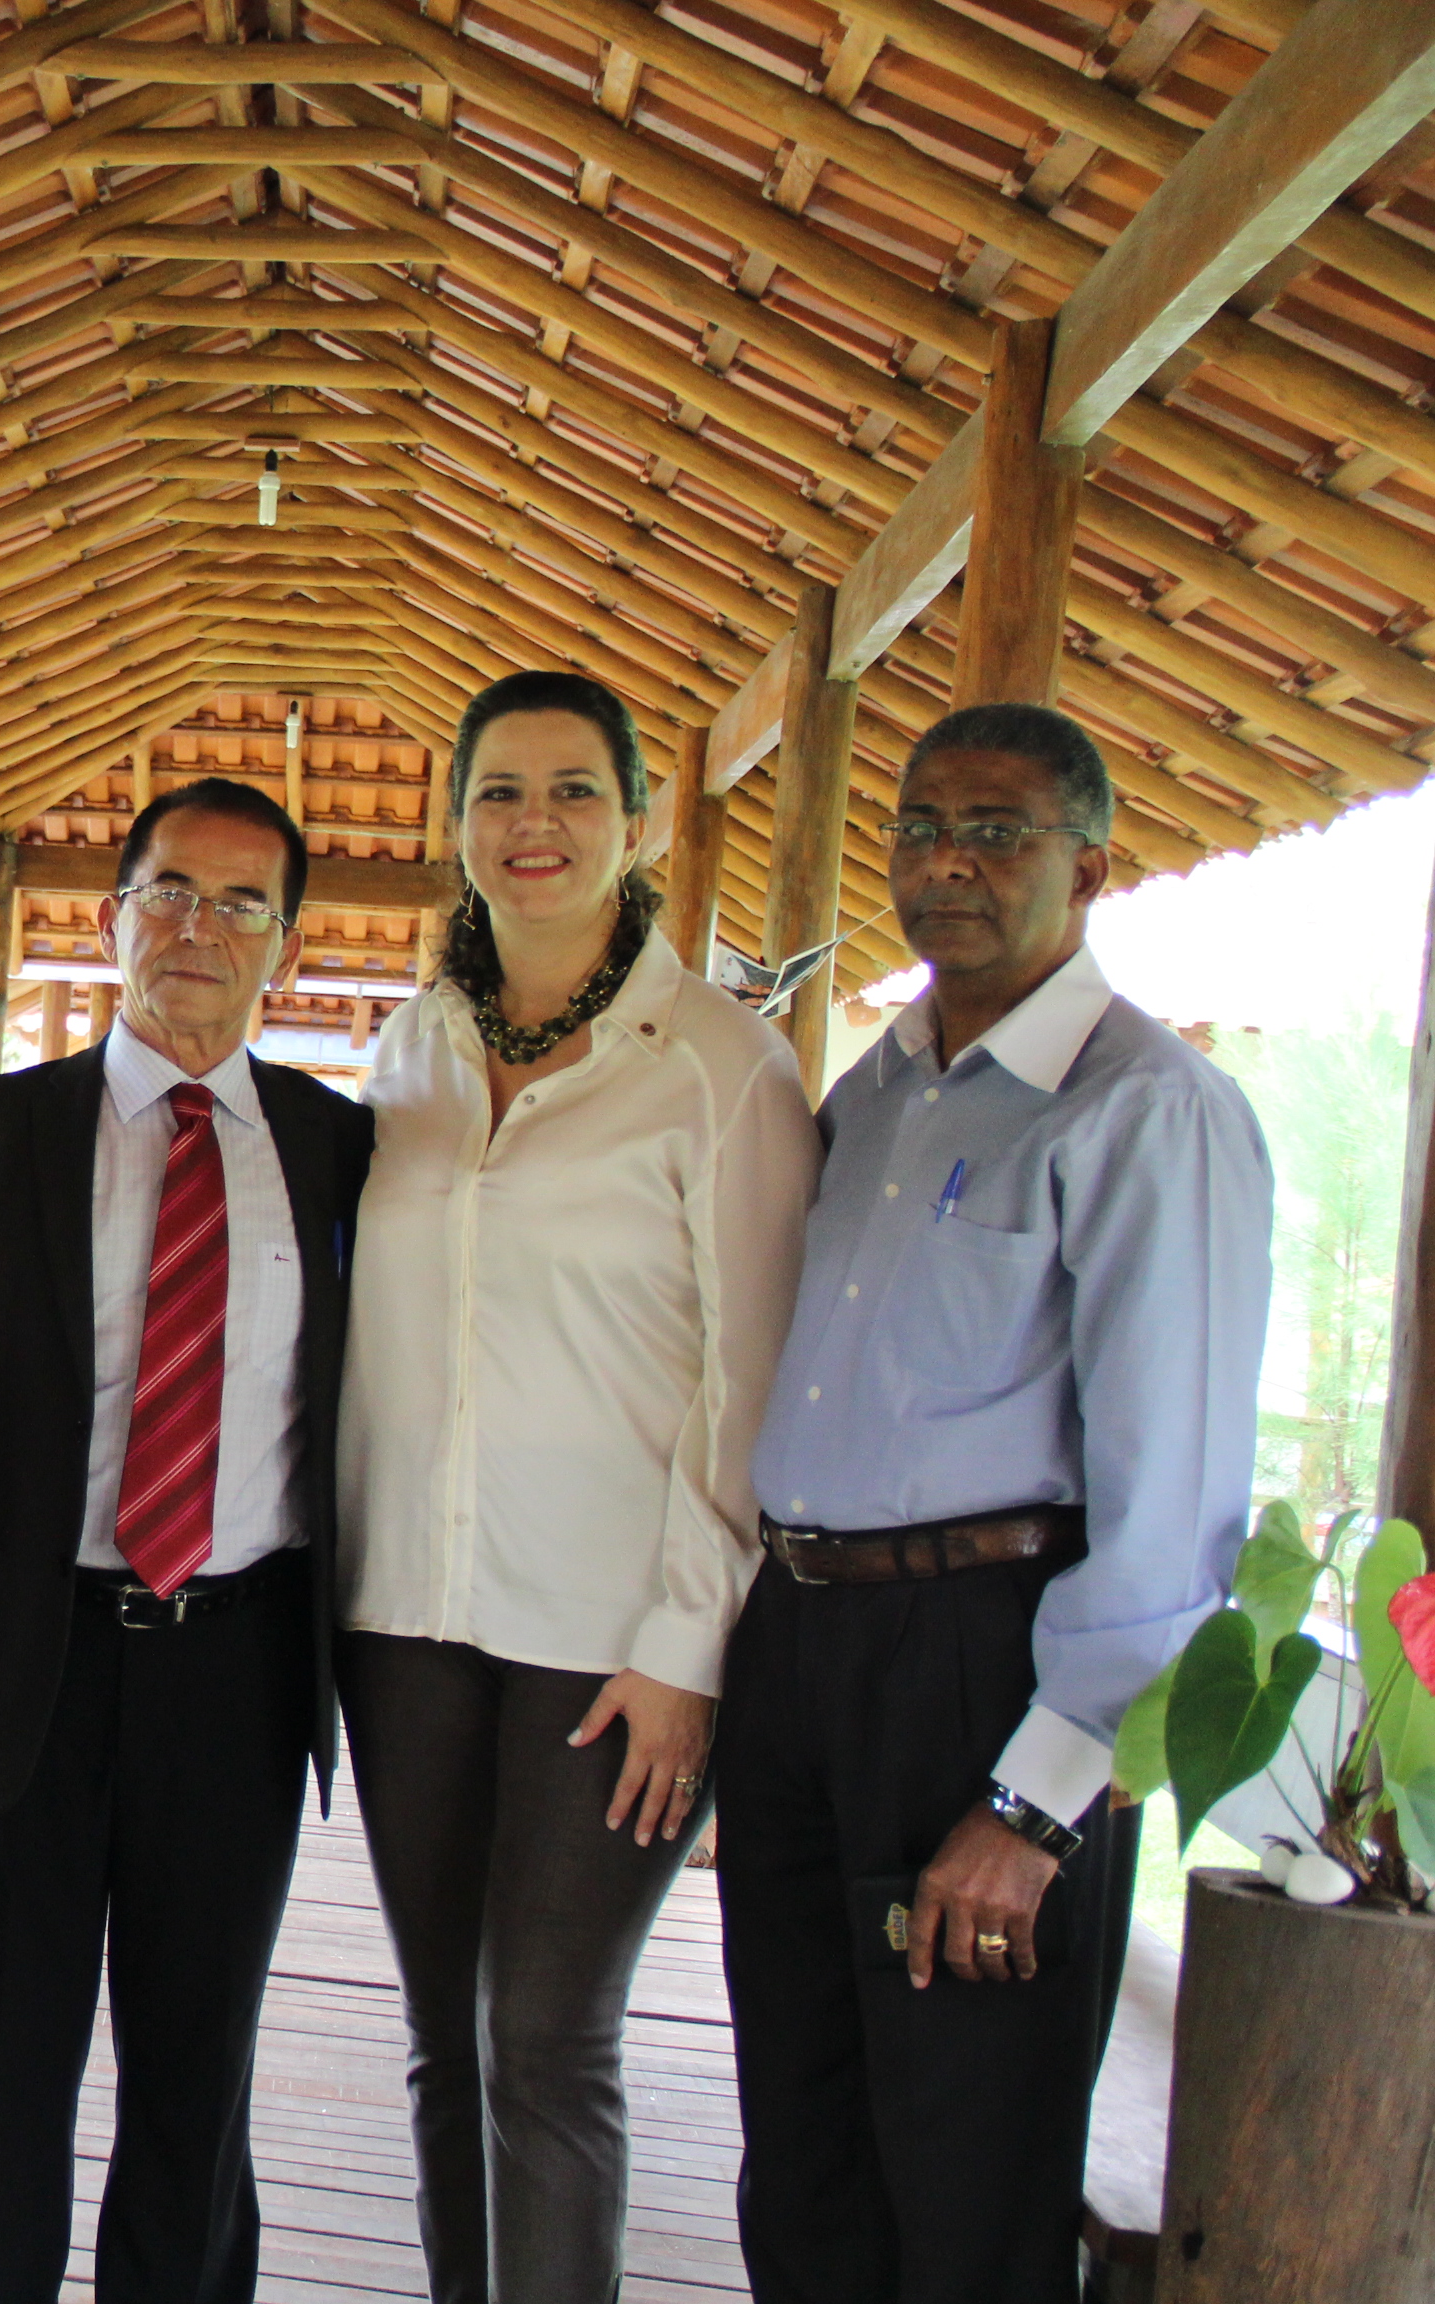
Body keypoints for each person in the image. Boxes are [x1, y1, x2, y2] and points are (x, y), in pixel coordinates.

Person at [718, 701, 1271, 2304]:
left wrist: (1038, 1801)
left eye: (998, 832)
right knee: (804, 2136)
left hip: (987, 1660)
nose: (947, 862)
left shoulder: (1146, 1111)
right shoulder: (879, 1094)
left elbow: (1174, 1499)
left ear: (1092, 866)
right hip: (808, 1643)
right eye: (919, 827)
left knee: (969, 2160)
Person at [0, 774, 372, 2304]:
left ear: (288, 944)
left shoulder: (339, 1152)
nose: (201, 928)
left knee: (198, 2082)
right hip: (31, 1659)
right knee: (6, 2068)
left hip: (243, 1663)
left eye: (242, 903)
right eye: (172, 893)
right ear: (112, 915)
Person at [335, 672, 820, 2304]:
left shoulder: (721, 1069)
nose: (531, 826)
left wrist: (690, 1646)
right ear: (455, 823)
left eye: (570, 792)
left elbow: (753, 1384)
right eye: (498, 794)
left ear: (636, 821)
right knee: (439, 2039)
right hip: (403, 1618)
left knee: (546, 2044)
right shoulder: (408, 1052)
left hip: (610, 1642)